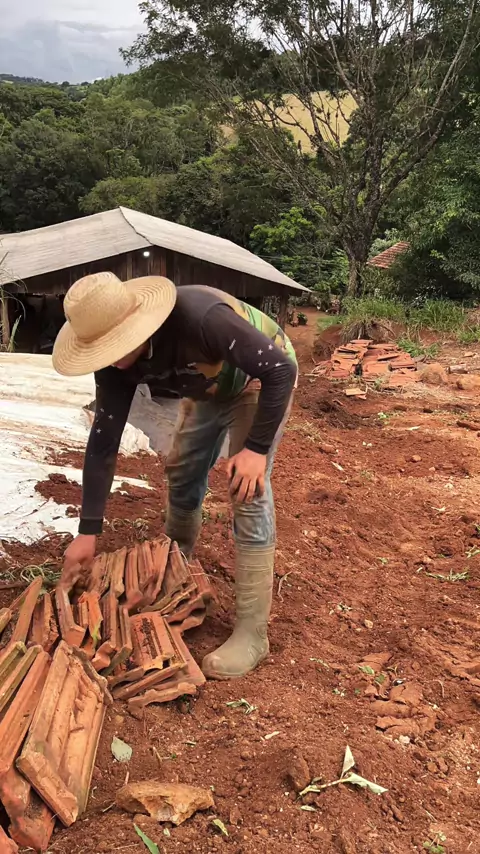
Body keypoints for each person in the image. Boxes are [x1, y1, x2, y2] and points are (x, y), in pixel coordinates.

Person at [53, 272, 297, 680]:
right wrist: (87, 532)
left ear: (137, 326)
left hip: (259, 379)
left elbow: (280, 370)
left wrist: (255, 450)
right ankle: (176, 565)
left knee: (248, 489)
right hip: (209, 388)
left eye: (115, 345)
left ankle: (253, 633)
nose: (111, 358)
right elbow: (104, 442)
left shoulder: (201, 319)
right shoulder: (114, 364)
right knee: (182, 472)